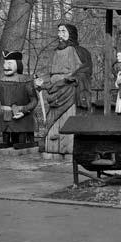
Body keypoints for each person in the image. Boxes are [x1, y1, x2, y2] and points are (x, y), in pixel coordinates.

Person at [34, 23, 93, 154]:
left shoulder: (80, 52)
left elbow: (85, 70)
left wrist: (71, 79)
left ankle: (68, 147)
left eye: (63, 31)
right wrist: (41, 81)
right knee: (51, 120)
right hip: (54, 91)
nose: (59, 34)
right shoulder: (55, 52)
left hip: (70, 92)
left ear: (70, 34)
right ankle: (51, 145)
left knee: (68, 119)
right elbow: (51, 74)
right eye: (58, 31)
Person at [0, 50, 38, 149]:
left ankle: (23, 141)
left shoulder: (26, 81)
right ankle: (6, 141)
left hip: (22, 115)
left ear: (18, 64)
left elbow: (34, 100)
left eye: (9, 63)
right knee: (6, 130)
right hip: (6, 115)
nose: (6, 66)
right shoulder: (1, 81)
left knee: (21, 129)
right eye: (5, 63)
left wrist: (24, 111)